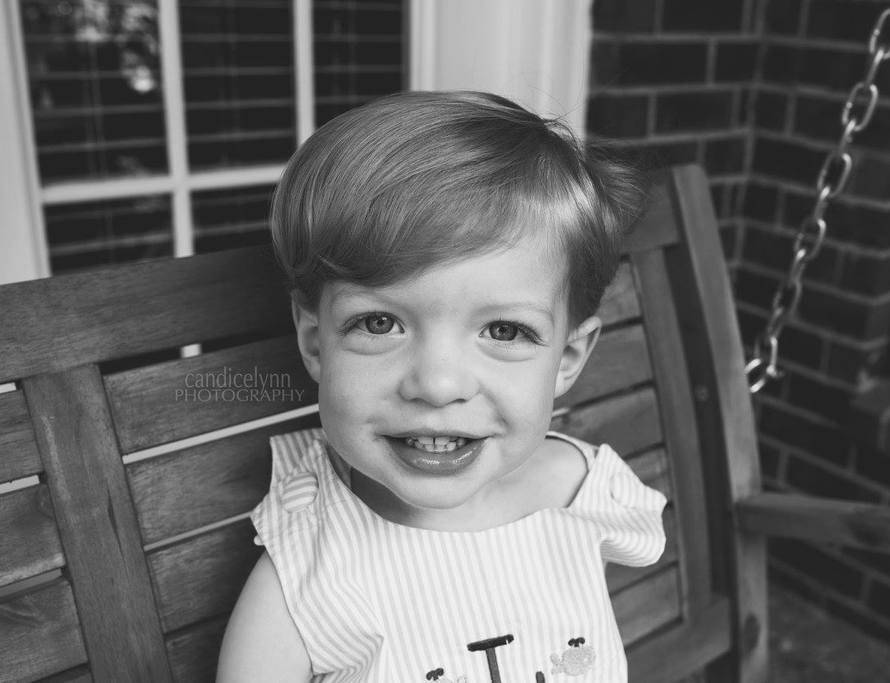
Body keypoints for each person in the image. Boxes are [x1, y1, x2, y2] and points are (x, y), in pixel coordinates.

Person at [217, 91, 667, 682]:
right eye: (380, 324)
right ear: (315, 344)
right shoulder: (313, 563)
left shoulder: (582, 490)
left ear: (567, 359)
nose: (437, 385)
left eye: (503, 330)